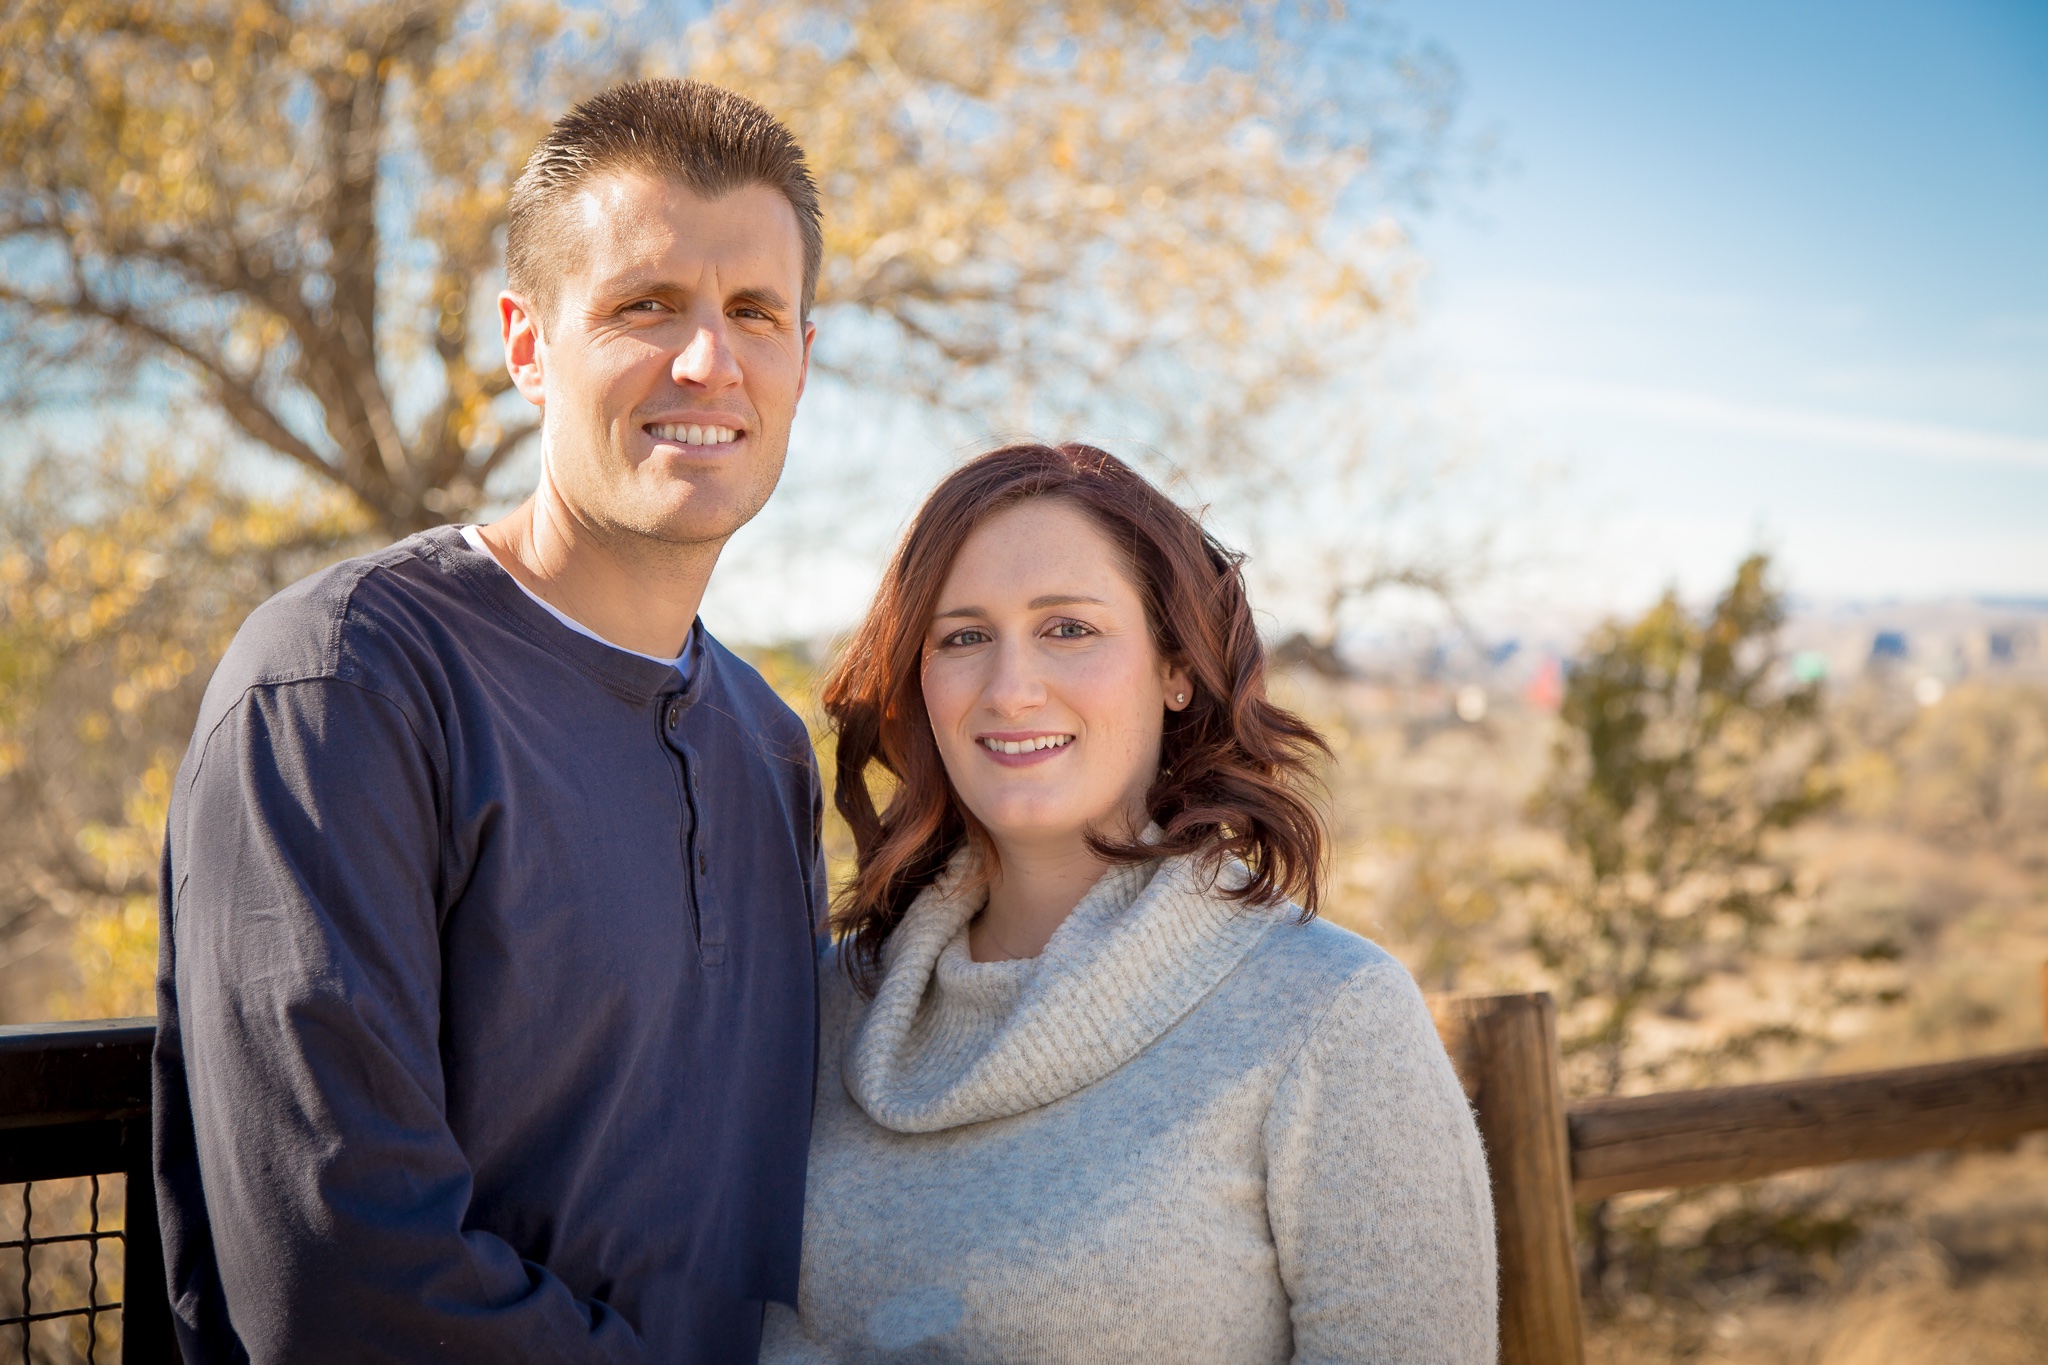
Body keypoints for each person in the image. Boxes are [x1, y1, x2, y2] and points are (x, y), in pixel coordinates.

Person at [152, 79, 824, 1364]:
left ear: (803, 355)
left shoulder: (766, 747)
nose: (709, 360)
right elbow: (341, 1273)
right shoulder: (344, 684)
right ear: (527, 345)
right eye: (645, 305)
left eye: (753, 311)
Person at [762, 443, 1497, 1363]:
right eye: (963, 637)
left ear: (1175, 666)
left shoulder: (1332, 1017)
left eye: (1069, 627)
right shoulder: (828, 1007)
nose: (1011, 688)